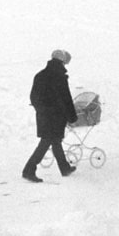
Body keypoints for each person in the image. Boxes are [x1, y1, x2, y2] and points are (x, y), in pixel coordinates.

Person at [23, 50, 77, 182]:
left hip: (44, 115)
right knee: (47, 142)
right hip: (56, 116)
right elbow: (66, 99)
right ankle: (29, 170)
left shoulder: (40, 75)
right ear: (63, 62)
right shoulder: (60, 76)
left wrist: (41, 110)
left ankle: (64, 168)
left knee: (55, 141)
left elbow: (33, 97)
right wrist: (72, 117)